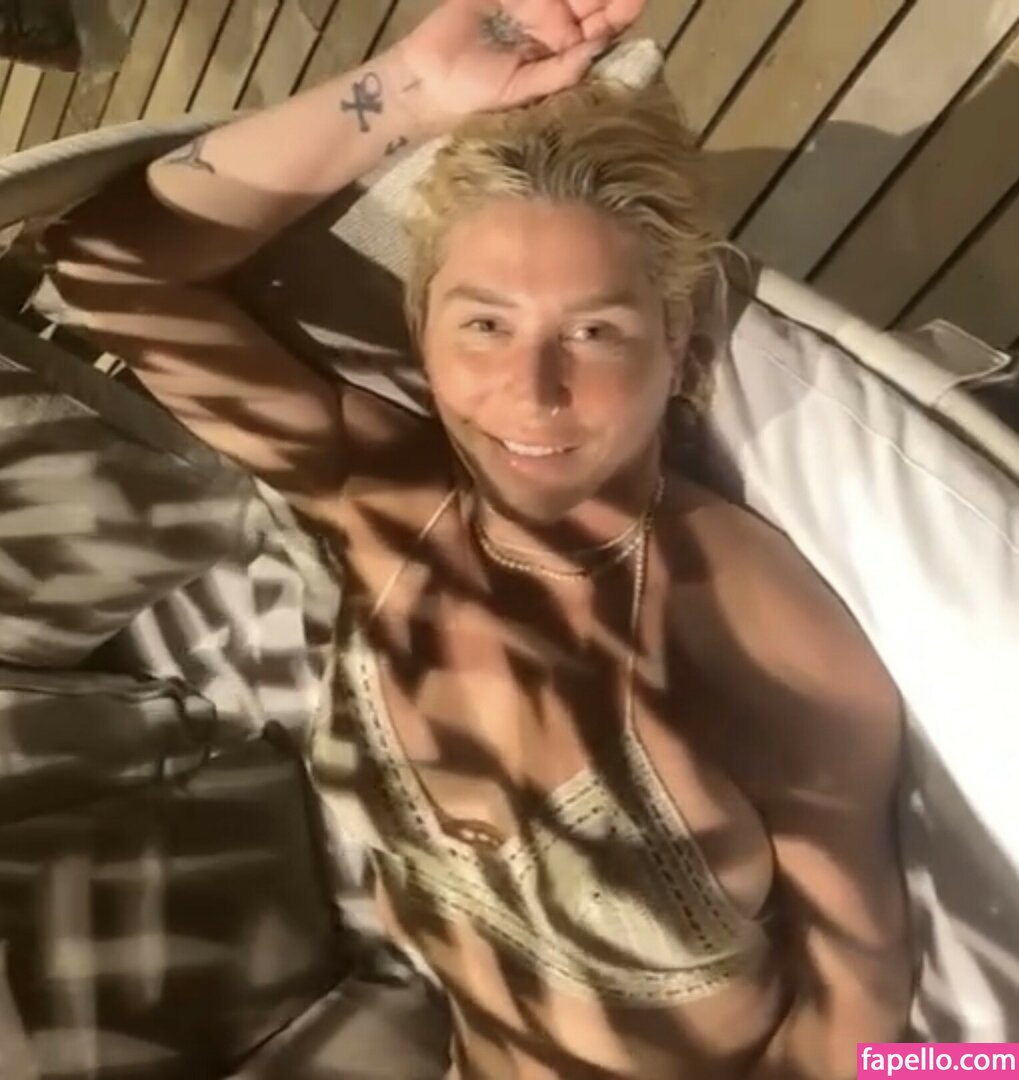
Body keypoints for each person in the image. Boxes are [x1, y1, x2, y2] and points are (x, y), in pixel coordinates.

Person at [45, 1, 911, 1075]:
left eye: (593, 331)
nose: (531, 394)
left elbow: (866, 1002)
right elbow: (105, 267)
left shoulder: (746, 631)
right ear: (421, 328)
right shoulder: (383, 500)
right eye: (485, 324)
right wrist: (406, 90)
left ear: (675, 338)